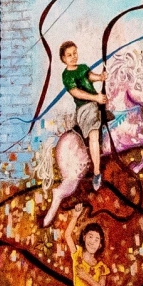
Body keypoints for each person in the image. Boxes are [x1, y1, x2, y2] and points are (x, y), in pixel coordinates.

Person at [59, 41, 112, 186]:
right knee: (93, 134)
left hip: (97, 103)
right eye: (69, 55)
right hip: (85, 108)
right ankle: (97, 173)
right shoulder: (67, 75)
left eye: (74, 53)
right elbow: (76, 92)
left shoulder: (82, 67)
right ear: (63, 58)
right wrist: (95, 97)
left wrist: (101, 77)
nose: (73, 57)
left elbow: (91, 76)